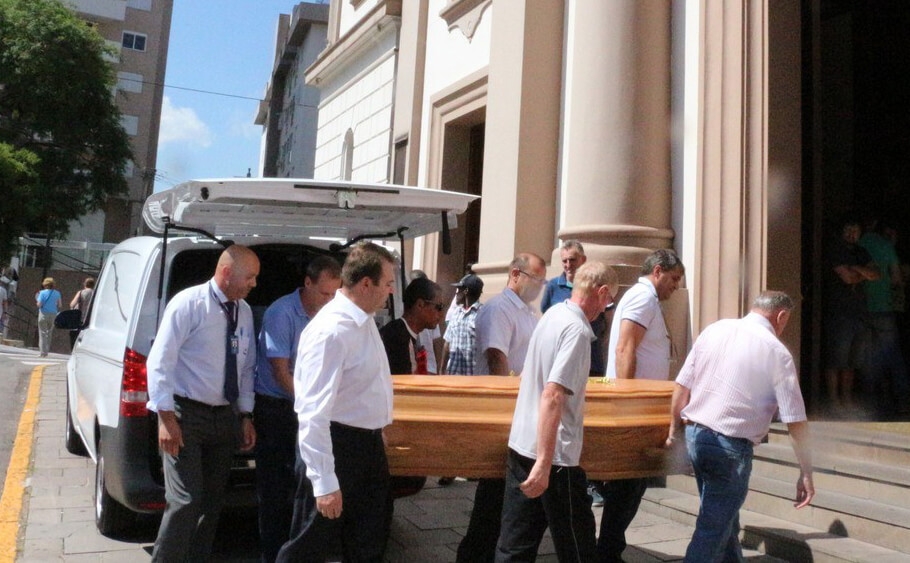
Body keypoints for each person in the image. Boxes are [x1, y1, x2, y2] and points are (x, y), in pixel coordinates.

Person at [666, 291, 814, 562]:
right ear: (781, 316)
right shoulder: (776, 352)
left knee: (724, 519)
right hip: (730, 446)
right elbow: (795, 420)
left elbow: (681, 386)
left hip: (697, 437)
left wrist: (674, 429)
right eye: (786, 321)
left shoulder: (715, 330)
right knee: (713, 528)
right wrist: (806, 471)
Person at [276, 242, 397, 562]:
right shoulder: (331, 331)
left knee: (368, 541)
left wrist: (378, 429)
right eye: (387, 283)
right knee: (310, 546)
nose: (391, 291)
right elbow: (312, 413)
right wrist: (325, 482)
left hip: (366, 447)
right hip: (336, 447)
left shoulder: (365, 318)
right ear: (366, 284)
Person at [495, 262, 618, 562]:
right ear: (601, 293)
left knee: (515, 545)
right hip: (554, 457)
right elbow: (552, 395)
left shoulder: (551, 315)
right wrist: (544, 464)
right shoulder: (576, 331)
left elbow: (527, 376)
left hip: (523, 443)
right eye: (609, 300)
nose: (606, 309)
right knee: (578, 546)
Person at [146, 245, 259, 561]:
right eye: (249, 277)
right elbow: (160, 361)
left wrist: (246, 415)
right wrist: (165, 419)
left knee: (211, 503)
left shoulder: (244, 312)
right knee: (185, 501)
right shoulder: (189, 304)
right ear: (226, 273)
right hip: (186, 416)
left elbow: (246, 366)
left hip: (224, 417)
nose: (254, 284)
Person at [457, 252, 547, 563]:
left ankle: (485, 550)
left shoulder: (527, 312)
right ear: (516, 274)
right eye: (536, 279)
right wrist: (511, 397)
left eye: (542, 281)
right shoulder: (499, 308)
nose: (540, 286)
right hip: (503, 408)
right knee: (494, 492)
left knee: (500, 494)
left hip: (521, 408)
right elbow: (497, 357)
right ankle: (475, 553)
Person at [598, 248, 685, 562]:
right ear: (659, 271)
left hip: (640, 406)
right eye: (674, 279)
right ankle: (607, 552)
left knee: (631, 485)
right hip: (634, 408)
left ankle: (609, 549)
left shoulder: (646, 299)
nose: (676, 286)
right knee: (628, 485)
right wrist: (629, 401)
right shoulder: (643, 298)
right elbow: (624, 348)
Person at [253, 255, 341, 563]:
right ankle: (272, 555)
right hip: (277, 409)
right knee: (275, 491)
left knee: (304, 486)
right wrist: (313, 406)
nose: (330, 300)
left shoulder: (329, 314)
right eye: (324, 293)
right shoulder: (282, 313)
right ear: (307, 283)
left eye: (335, 294)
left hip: (306, 408)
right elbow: (281, 371)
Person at [824, 216, 879, 410]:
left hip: (859, 312)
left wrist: (855, 268)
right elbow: (847, 278)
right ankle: (834, 400)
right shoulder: (836, 250)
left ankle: (846, 400)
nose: (852, 234)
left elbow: (876, 274)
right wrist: (861, 272)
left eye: (856, 230)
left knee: (852, 361)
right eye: (848, 229)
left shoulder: (862, 251)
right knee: (836, 358)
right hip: (839, 312)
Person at [859, 216, 910, 416]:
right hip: (884, 306)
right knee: (893, 354)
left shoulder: (859, 244)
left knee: (867, 355)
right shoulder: (886, 246)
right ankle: (904, 397)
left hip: (862, 307)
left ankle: (869, 401)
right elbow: (897, 278)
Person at [380, 277, 445, 375]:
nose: (442, 314)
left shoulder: (403, 332)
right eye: (439, 307)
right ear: (420, 305)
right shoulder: (397, 338)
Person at [440, 273, 484, 375]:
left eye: (459, 290)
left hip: (473, 378)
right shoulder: (456, 313)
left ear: (466, 291)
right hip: (453, 375)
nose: (456, 293)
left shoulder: (482, 314)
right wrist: (442, 369)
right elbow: (447, 343)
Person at [35, 277, 62, 357]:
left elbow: (39, 304)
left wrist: (38, 303)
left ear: (45, 284)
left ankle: (42, 352)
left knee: (42, 333)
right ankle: (46, 351)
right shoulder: (57, 293)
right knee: (49, 333)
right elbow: (60, 305)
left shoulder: (42, 293)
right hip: (53, 314)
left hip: (43, 314)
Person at [68, 277, 95, 348]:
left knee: (75, 336)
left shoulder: (81, 292)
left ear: (85, 284)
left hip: (80, 318)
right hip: (91, 319)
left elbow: (72, 304)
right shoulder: (96, 293)